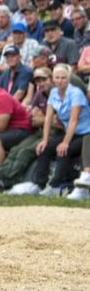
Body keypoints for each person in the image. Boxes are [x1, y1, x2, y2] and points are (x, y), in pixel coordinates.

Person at [33, 64, 90, 198]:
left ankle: (55, 186)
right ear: (53, 79)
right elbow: (48, 118)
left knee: (64, 149)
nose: (60, 81)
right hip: (71, 133)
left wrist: (65, 142)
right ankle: (38, 184)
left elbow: (74, 121)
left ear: (68, 79)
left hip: (85, 132)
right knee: (45, 148)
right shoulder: (53, 93)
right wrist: (45, 139)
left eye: (63, 78)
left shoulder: (75, 93)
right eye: (57, 78)